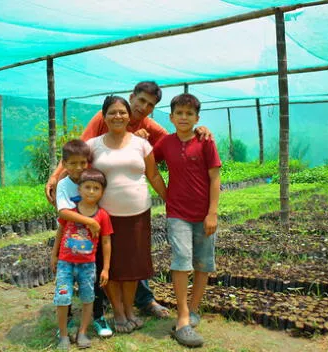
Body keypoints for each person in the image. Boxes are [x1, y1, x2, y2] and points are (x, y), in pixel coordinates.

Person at [45, 81, 213, 320]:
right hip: (103, 209)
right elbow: (78, 155)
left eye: (150, 105)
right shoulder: (101, 123)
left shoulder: (146, 129)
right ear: (131, 97)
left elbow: (176, 139)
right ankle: (97, 307)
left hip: (137, 210)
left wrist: (198, 130)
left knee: (134, 261)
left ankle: (141, 302)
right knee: (103, 259)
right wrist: (56, 178)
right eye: (141, 100)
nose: (143, 107)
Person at [85, 95, 167, 333]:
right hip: (106, 217)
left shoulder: (141, 144)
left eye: (122, 112)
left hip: (138, 214)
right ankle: (119, 313)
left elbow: (153, 176)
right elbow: (81, 176)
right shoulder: (93, 146)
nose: (118, 116)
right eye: (112, 112)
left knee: (132, 266)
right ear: (104, 116)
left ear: (129, 115)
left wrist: (170, 199)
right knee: (111, 266)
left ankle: (130, 309)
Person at [152, 93, 221, 347]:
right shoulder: (165, 143)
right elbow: (150, 163)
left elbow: (215, 178)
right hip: (177, 213)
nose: (183, 118)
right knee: (181, 260)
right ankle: (182, 317)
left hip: (204, 214)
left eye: (189, 114)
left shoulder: (205, 141)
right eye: (179, 113)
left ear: (197, 118)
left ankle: (193, 309)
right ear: (170, 117)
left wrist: (212, 213)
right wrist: (166, 195)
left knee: (203, 263)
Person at [54, 139, 113, 338]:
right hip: (68, 249)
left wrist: (96, 224)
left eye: (82, 163)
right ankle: (67, 321)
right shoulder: (63, 184)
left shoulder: (91, 179)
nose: (78, 168)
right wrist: (90, 222)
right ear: (64, 164)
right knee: (65, 285)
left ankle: (98, 317)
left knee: (93, 285)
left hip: (92, 247)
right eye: (72, 163)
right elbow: (62, 212)